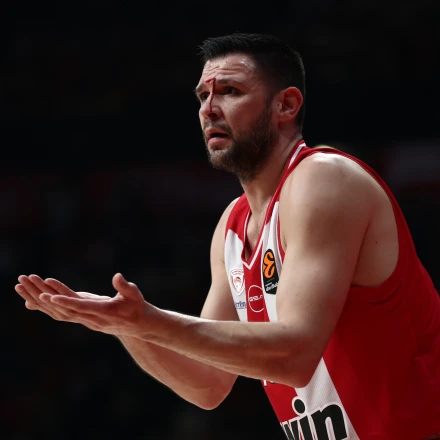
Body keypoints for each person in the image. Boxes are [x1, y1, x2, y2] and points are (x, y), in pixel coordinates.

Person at [15, 33, 440, 440]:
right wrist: (125, 327)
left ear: (286, 105)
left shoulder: (323, 178)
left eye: (230, 91)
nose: (209, 109)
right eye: (203, 96)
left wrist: (149, 321)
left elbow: (295, 354)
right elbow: (207, 384)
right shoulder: (231, 227)